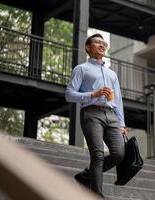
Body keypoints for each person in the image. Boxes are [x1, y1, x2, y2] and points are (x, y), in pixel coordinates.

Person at [65, 33, 126, 198]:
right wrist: (93, 94)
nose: (102, 45)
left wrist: (122, 123)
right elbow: (69, 94)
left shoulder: (112, 74)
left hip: (111, 115)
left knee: (119, 153)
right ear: (88, 47)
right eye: (98, 42)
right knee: (97, 154)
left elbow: (118, 99)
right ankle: (97, 195)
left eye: (104, 43)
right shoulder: (81, 69)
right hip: (91, 113)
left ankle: (86, 175)